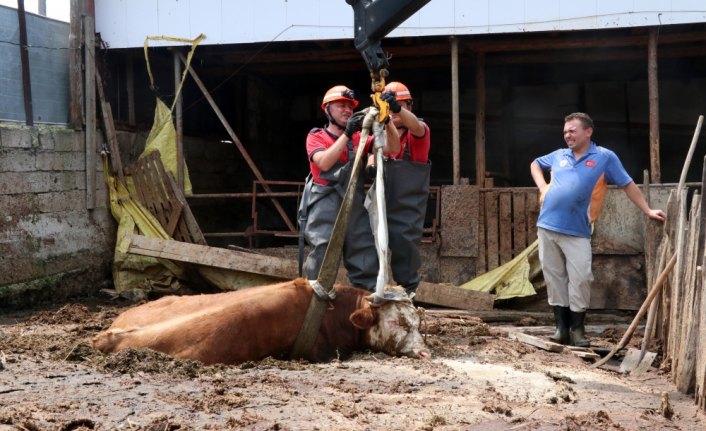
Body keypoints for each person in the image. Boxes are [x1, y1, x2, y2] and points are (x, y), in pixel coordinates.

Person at [530, 112, 665, 347]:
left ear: (588, 131)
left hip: (577, 231)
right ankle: (561, 329)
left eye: (572, 130)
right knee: (554, 277)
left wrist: (647, 210)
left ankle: (577, 329)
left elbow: (627, 184)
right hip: (547, 226)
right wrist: (543, 187)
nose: (567, 135)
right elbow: (535, 164)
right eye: (565, 132)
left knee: (581, 277)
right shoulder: (559, 155)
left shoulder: (604, 157)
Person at [299, 85, 399, 291]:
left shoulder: (360, 138)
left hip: (354, 204)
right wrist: (347, 134)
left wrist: (387, 120)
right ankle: (314, 305)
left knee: (363, 253)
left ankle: (367, 306)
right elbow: (324, 163)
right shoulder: (316, 137)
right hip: (324, 205)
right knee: (322, 253)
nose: (347, 110)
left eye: (350, 107)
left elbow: (393, 148)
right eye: (341, 105)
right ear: (327, 109)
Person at [377, 81, 431, 295]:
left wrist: (397, 109)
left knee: (404, 247)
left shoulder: (419, 133)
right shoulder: (381, 133)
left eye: (400, 105)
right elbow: (373, 154)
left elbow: (416, 126)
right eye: (391, 105)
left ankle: (407, 295)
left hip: (406, 207)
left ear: (409, 106)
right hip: (380, 201)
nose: (394, 110)